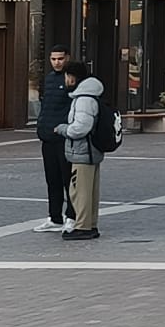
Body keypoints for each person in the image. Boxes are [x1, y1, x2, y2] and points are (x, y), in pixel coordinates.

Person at [57, 62, 106, 242]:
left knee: (79, 190)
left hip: (82, 150)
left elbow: (80, 128)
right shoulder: (93, 95)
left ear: (72, 77)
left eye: (67, 75)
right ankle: (90, 224)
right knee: (90, 190)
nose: (66, 79)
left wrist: (63, 129)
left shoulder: (84, 99)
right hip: (92, 150)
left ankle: (82, 226)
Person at [35, 45, 75, 232]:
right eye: (53, 59)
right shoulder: (49, 79)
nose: (57, 62)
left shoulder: (72, 79)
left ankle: (72, 217)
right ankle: (55, 217)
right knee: (52, 180)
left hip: (64, 138)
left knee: (69, 180)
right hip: (47, 139)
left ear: (67, 57)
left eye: (60, 58)